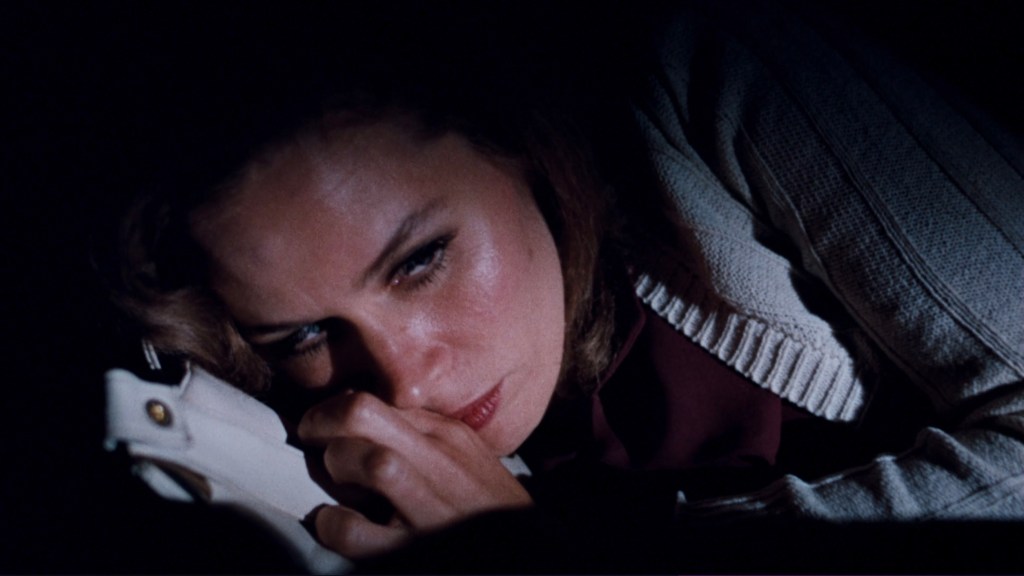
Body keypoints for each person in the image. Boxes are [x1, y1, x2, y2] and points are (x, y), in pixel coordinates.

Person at [107, 0, 1024, 568]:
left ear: (522, 150)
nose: (406, 385)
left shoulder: (714, 65)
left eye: (422, 260)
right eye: (304, 335)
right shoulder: (339, 429)